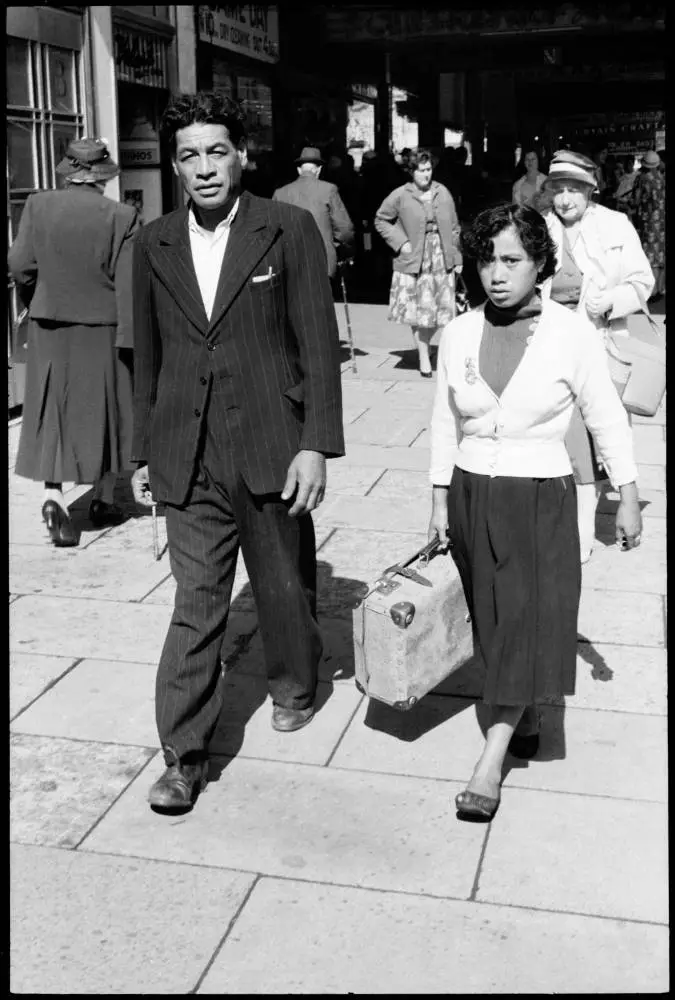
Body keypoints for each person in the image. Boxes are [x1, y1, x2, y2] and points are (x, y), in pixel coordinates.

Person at [130, 92, 344, 812]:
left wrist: (314, 443)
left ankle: (294, 682)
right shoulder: (152, 242)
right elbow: (148, 358)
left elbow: (316, 343)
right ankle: (183, 757)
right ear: (175, 166)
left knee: (281, 582)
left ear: (242, 156)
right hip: (185, 450)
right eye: (188, 155)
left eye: (216, 151)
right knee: (197, 604)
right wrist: (141, 453)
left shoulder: (285, 230)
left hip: (270, 442)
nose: (203, 167)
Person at [428, 203, 641, 822]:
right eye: (486, 259)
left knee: (521, 616)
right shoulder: (460, 331)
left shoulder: (569, 332)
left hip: (539, 494)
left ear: (541, 263)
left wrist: (626, 493)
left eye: (512, 260)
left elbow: (603, 414)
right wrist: (439, 498)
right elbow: (446, 419)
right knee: (489, 620)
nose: (496, 273)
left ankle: (490, 763)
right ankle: (521, 711)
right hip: (472, 492)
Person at [8, 137, 139, 547]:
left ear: (68, 170)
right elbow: (129, 284)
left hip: (49, 323)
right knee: (104, 406)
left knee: (52, 406)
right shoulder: (122, 216)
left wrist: (36, 299)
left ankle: (54, 496)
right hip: (102, 326)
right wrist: (132, 340)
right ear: (103, 175)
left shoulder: (38, 205)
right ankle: (101, 498)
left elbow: (19, 265)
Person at [538, 149, 654, 563]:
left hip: (599, 342)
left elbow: (644, 281)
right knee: (564, 437)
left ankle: (582, 529)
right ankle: (573, 529)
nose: (565, 198)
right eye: (558, 189)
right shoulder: (539, 227)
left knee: (599, 434)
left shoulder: (615, 225)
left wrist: (612, 300)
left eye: (574, 189)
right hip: (548, 344)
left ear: (592, 190)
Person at [374, 148, 463, 377]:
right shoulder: (400, 194)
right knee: (420, 309)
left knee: (440, 310)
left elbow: (454, 227)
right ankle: (424, 355)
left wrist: (456, 257)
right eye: (421, 170)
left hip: (440, 255)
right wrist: (400, 242)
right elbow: (381, 219)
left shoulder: (442, 192)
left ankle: (422, 346)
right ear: (411, 171)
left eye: (429, 169)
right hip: (416, 257)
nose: (426, 174)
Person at [273, 146, 354, 279]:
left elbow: (273, 229)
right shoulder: (329, 190)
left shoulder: (280, 193)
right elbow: (345, 229)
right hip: (322, 262)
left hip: (289, 262)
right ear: (319, 169)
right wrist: (338, 246)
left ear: (299, 170)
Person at [631, 150, 666, 300]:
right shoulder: (661, 178)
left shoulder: (642, 178)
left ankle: (650, 292)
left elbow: (636, 201)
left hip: (647, 222)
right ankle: (659, 289)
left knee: (649, 256)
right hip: (662, 221)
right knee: (659, 256)